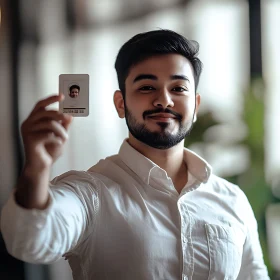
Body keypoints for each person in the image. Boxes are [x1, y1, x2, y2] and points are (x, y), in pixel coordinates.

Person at [0, 30, 270, 280]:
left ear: (195, 105)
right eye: (146, 87)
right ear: (121, 103)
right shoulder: (90, 193)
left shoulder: (231, 199)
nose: (164, 100)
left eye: (178, 88)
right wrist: (36, 168)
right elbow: (30, 242)